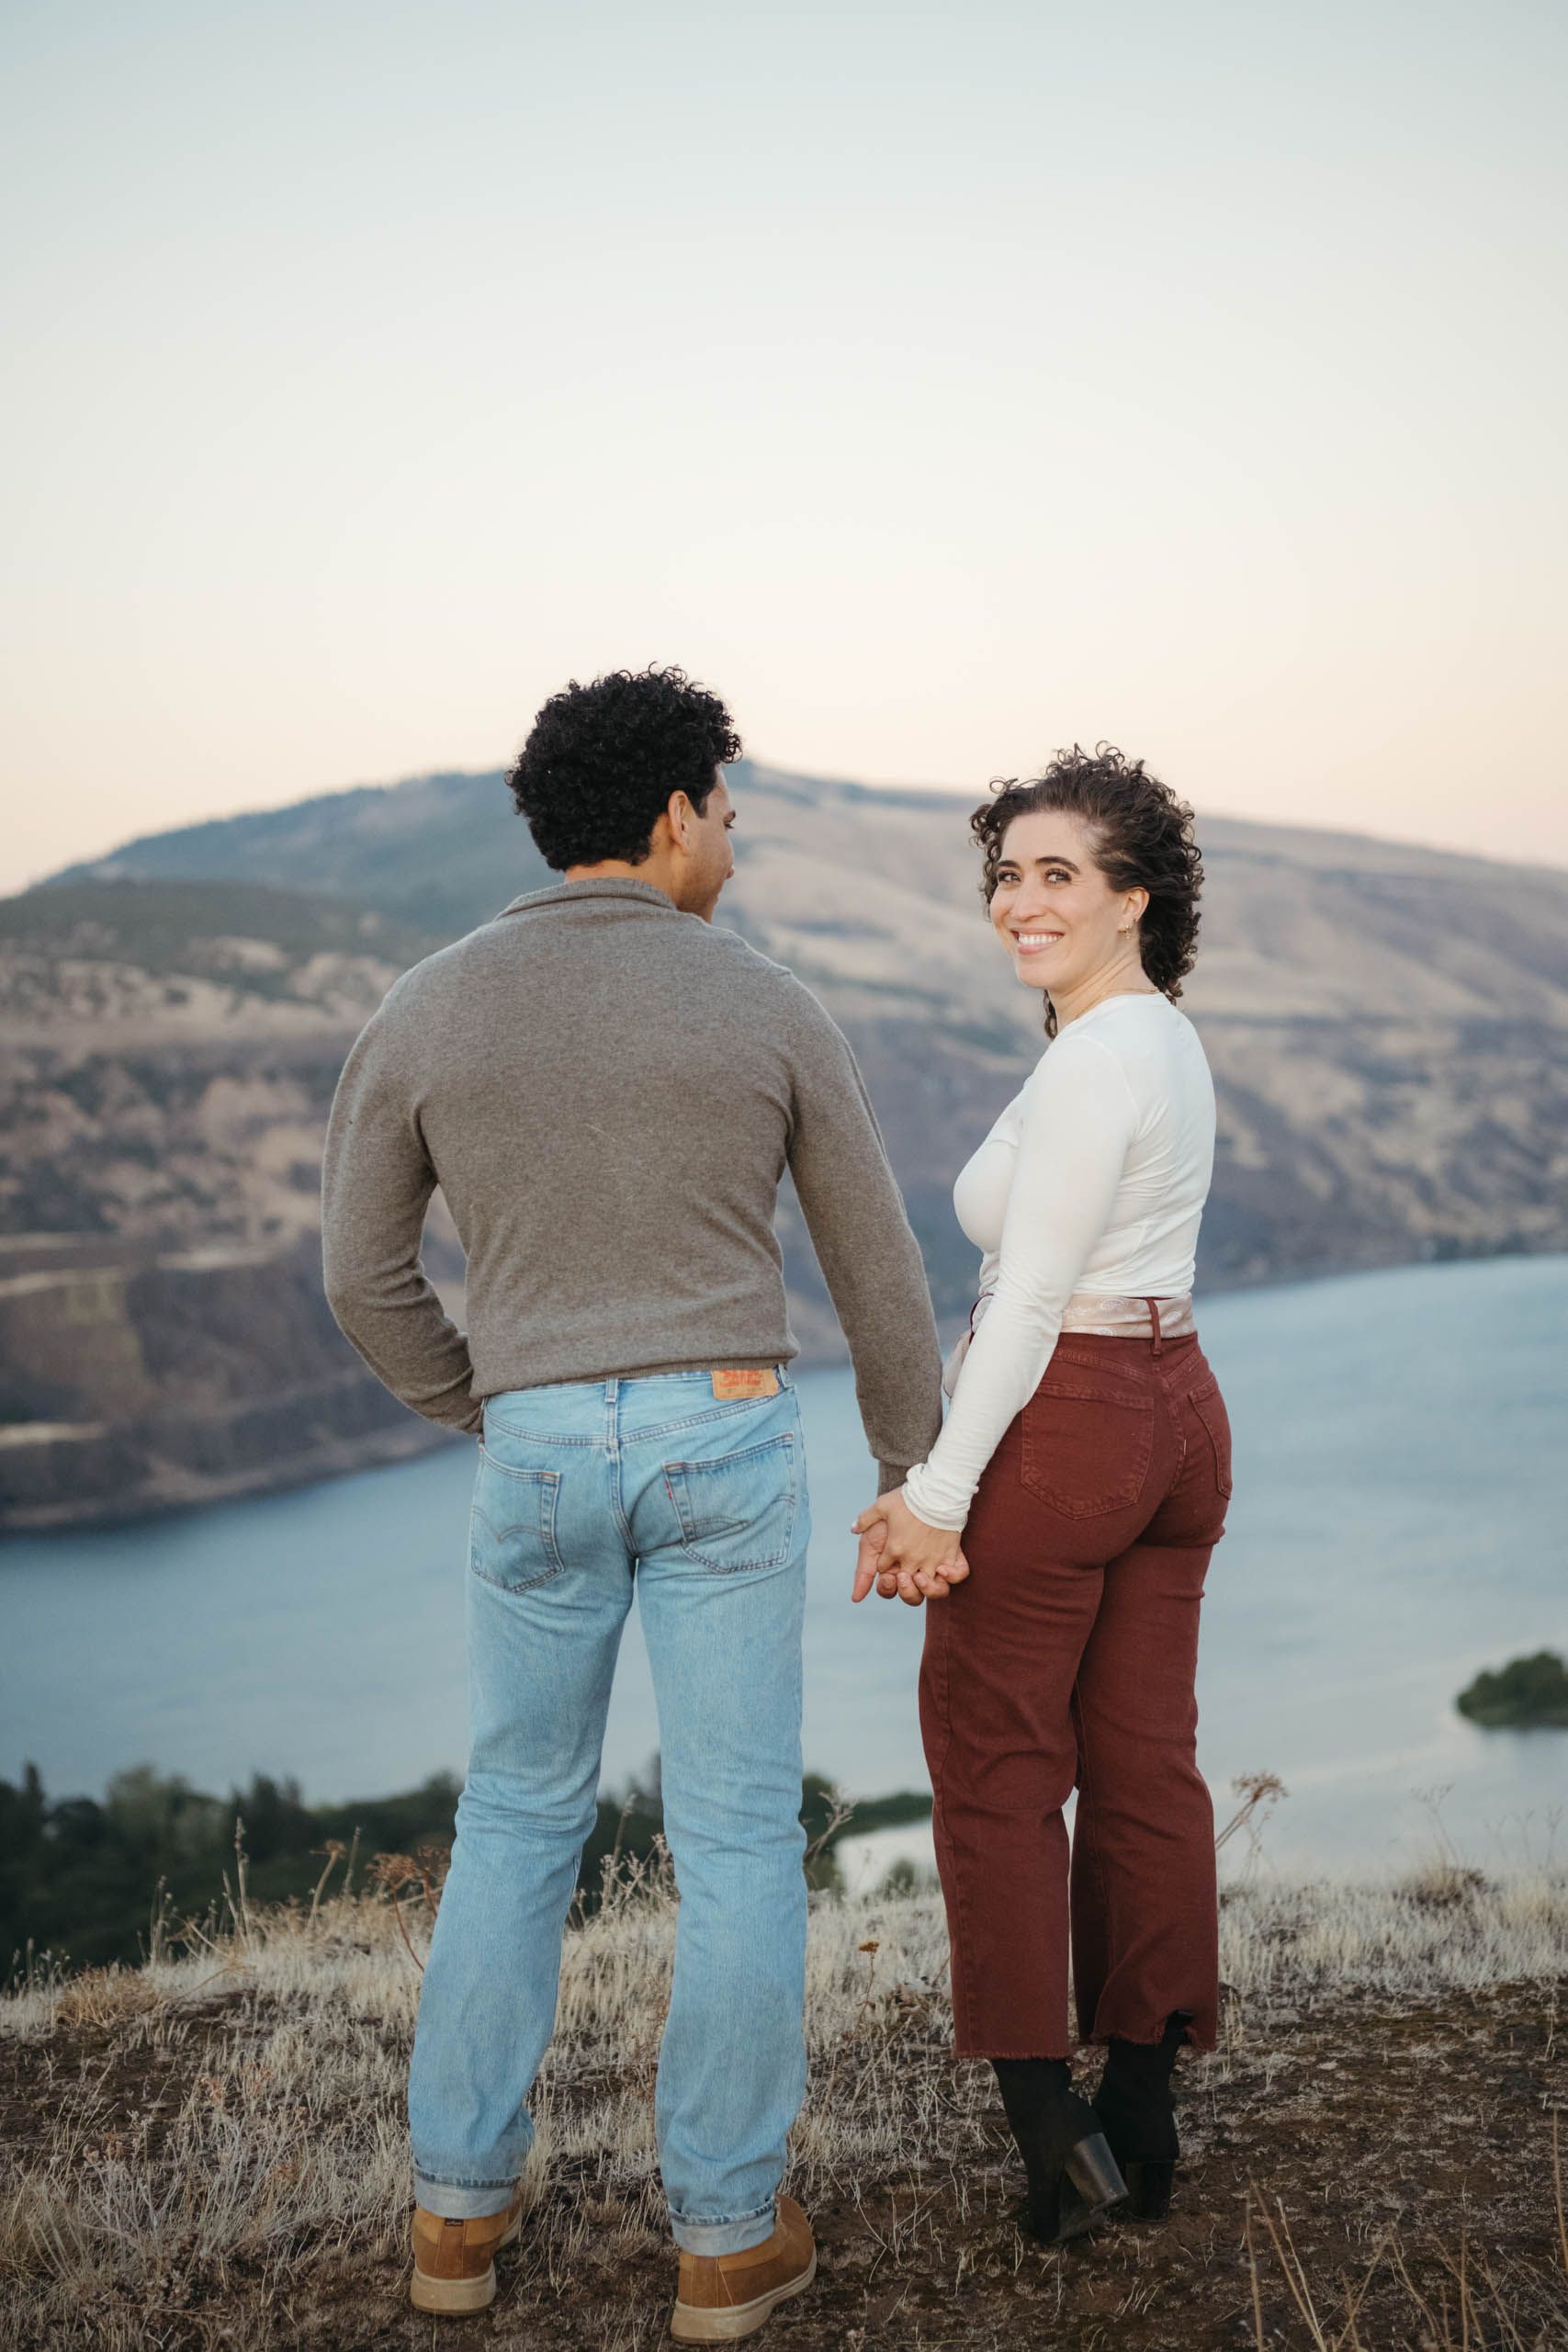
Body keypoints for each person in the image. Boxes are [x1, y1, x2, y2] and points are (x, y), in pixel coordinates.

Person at [321, 666, 951, 2334]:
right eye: (727, 814)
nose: (733, 848)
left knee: (516, 1818)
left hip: (531, 1443)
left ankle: (457, 2217)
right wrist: (912, 1467)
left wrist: (487, 1402)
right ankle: (726, 2241)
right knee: (737, 1838)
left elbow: (359, 1273)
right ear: (672, 815)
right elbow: (877, 1271)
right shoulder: (767, 1001)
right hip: (727, 1435)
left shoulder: (426, 1006)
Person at [852, 742, 1232, 2245]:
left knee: (998, 1759)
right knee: (1146, 1762)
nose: (1020, 898)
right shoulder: (1156, 1039)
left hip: (1070, 1414)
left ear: (1133, 896)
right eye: (1007, 871)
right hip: (1179, 1406)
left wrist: (936, 1496)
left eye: (1058, 873)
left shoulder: (1097, 1058)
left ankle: (1043, 2126)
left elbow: (1026, 1302)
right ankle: (1143, 2108)